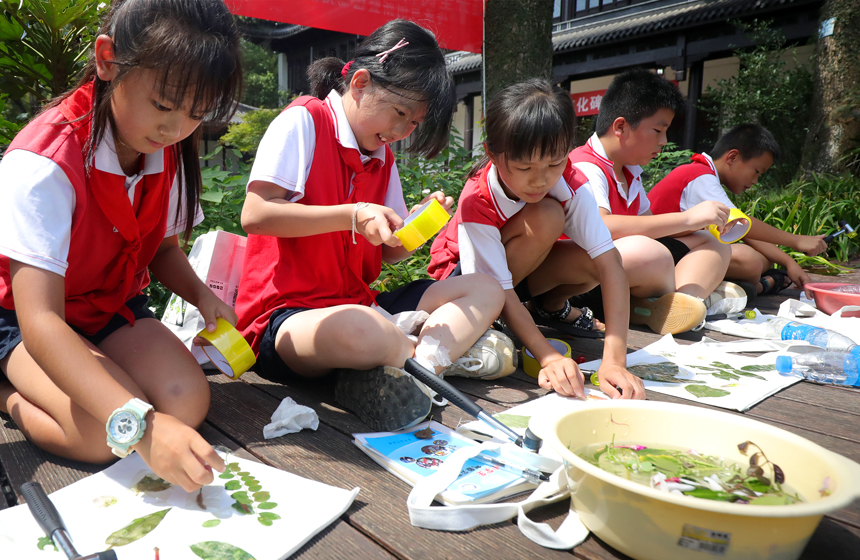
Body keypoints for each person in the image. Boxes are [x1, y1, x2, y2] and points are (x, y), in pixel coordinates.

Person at [0, 0, 243, 492]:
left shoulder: (164, 152)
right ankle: (7, 391)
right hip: (23, 321)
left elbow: (163, 250)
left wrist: (203, 297)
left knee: (186, 399)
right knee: (103, 436)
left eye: (197, 114)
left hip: (107, 306)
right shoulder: (44, 162)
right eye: (163, 105)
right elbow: (40, 319)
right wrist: (144, 427)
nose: (175, 129)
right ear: (108, 59)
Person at [235, 20, 509, 433]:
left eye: (413, 123)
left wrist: (419, 223)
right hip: (287, 319)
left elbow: (388, 250)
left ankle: (416, 366)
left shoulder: (382, 156)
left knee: (486, 287)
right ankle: (428, 355)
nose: (401, 132)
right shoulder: (304, 121)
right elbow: (255, 213)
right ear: (361, 83)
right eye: (400, 113)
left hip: (361, 302)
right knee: (363, 330)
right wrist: (352, 213)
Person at [428, 79, 645, 400]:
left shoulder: (572, 179)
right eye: (524, 166)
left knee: (592, 256)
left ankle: (539, 310)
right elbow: (495, 286)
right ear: (493, 153)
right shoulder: (477, 199)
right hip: (463, 283)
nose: (541, 179)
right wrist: (548, 356)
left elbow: (609, 261)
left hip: (515, 280)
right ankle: (486, 327)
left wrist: (614, 359)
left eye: (554, 163)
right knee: (546, 217)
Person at [568, 68, 735, 335]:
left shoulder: (629, 171)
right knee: (650, 253)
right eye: (658, 130)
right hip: (580, 285)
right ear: (621, 126)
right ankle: (662, 304)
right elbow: (600, 227)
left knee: (713, 242)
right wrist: (689, 218)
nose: (664, 141)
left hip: (620, 274)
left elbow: (647, 225)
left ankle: (681, 304)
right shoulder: (585, 166)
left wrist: (702, 223)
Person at [648, 123, 827, 299]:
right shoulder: (699, 175)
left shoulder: (702, 173)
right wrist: (797, 241)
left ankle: (745, 287)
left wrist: (788, 262)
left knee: (764, 259)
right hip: (660, 253)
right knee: (749, 260)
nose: (756, 180)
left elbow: (742, 229)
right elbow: (741, 224)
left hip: (677, 249)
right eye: (756, 171)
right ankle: (753, 287)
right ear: (732, 157)